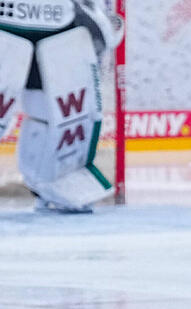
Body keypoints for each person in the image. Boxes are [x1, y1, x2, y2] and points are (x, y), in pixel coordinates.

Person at [0, 0, 123, 213]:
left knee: (63, 111)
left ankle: (55, 179)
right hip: (28, 23)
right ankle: (55, 178)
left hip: (61, 24)